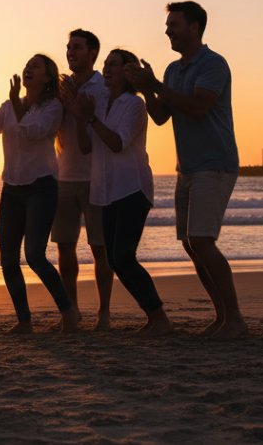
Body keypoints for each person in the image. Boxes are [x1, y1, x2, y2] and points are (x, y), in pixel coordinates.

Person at [126, 1, 246, 339]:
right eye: (167, 26)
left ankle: (234, 318)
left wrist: (155, 83)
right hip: (188, 167)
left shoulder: (214, 64)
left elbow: (196, 107)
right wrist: (146, 86)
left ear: (194, 27)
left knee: (202, 240)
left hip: (216, 164)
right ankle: (223, 318)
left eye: (174, 25)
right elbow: (162, 116)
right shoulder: (173, 70)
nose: (167, 31)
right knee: (192, 244)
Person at [0, 55, 81, 333]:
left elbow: (34, 132)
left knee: (34, 254)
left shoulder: (53, 107)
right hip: (11, 189)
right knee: (8, 259)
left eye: (36, 66)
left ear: (48, 77)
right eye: (27, 65)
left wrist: (18, 108)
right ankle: (24, 321)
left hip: (41, 187)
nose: (28, 69)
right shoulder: (9, 105)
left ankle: (69, 311)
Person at [72, 49, 173, 336]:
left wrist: (91, 119)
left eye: (113, 64)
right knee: (114, 259)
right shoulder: (102, 103)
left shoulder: (134, 105)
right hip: (105, 190)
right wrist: (82, 117)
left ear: (128, 72)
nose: (105, 68)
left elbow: (117, 143)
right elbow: (85, 147)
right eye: (105, 63)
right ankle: (156, 317)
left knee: (123, 256)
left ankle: (159, 317)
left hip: (131, 188)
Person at [53, 28, 114, 330]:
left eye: (77, 48)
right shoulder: (61, 87)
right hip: (64, 176)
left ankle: (104, 313)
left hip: (95, 177)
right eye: (68, 48)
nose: (70, 53)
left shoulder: (102, 89)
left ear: (92, 53)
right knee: (65, 245)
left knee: (99, 248)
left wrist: (77, 107)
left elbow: (96, 135)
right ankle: (72, 311)